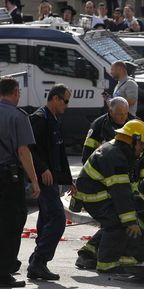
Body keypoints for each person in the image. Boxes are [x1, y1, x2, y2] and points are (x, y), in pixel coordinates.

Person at [74, 119, 144, 273]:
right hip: (95, 197)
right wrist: (130, 222)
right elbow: (120, 193)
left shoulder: (120, 151)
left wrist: (142, 205)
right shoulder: (115, 157)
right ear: (133, 140)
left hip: (101, 193)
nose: (143, 149)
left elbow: (126, 189)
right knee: (119, 222)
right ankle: (107, 263)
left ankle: (89, 252)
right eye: (141, 144)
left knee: (117, 220)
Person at [27, 84, 76, 281]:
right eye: (65, 100)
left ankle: (37, 263)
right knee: (57, 220)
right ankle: (38, 261)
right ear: (54, 98)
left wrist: (68, 180)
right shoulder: (39, 119)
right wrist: (42, 169)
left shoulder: (54, 119)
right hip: (44, 180)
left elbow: (60, 152)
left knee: (47, 220)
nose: (67, 105)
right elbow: (29, 148)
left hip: (53, 181)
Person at [0, 77, 40, 288]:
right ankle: (4, 271)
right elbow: (23, 151)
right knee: (11, 223)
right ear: (15, 92)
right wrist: (34, 181)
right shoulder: (18, 116)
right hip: (8, 178)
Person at [82, 97, 133, 164]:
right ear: (110, 111)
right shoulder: (98, 125)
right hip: (105, 165)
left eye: (126, 113)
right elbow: (88, 151)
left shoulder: (134, 122)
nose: (123, 117)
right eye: (119, 114)